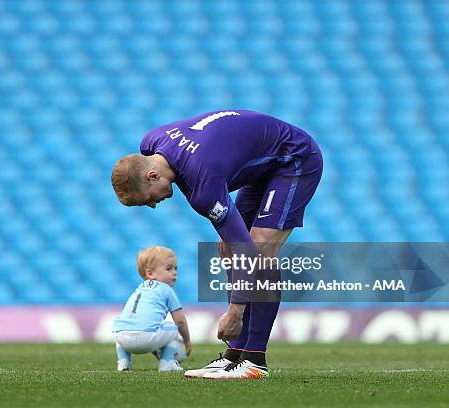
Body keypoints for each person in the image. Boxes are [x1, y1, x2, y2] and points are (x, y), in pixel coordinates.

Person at [111, 110, 323, 379]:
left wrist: (235, 311)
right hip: (264, 162)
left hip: (293, 158)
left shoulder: (203, 186)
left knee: (259, 248)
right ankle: (234, 356)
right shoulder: (151, 142)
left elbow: (246, 251)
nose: (152, 205)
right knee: (226, 248)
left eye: (147, 199)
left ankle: (254, 360)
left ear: (153, 176)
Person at [113, 246, 192, 372]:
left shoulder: (140, 288)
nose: (174, 272)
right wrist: (187, 341)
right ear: (150, 273)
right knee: (174, 329)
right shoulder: (166, 289)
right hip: (147, 338)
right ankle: (167, 362)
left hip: (122, 340)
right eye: (169, 268)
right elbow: (180, 321)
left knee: (122, 327)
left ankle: (124, 362)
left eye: (175, 268)